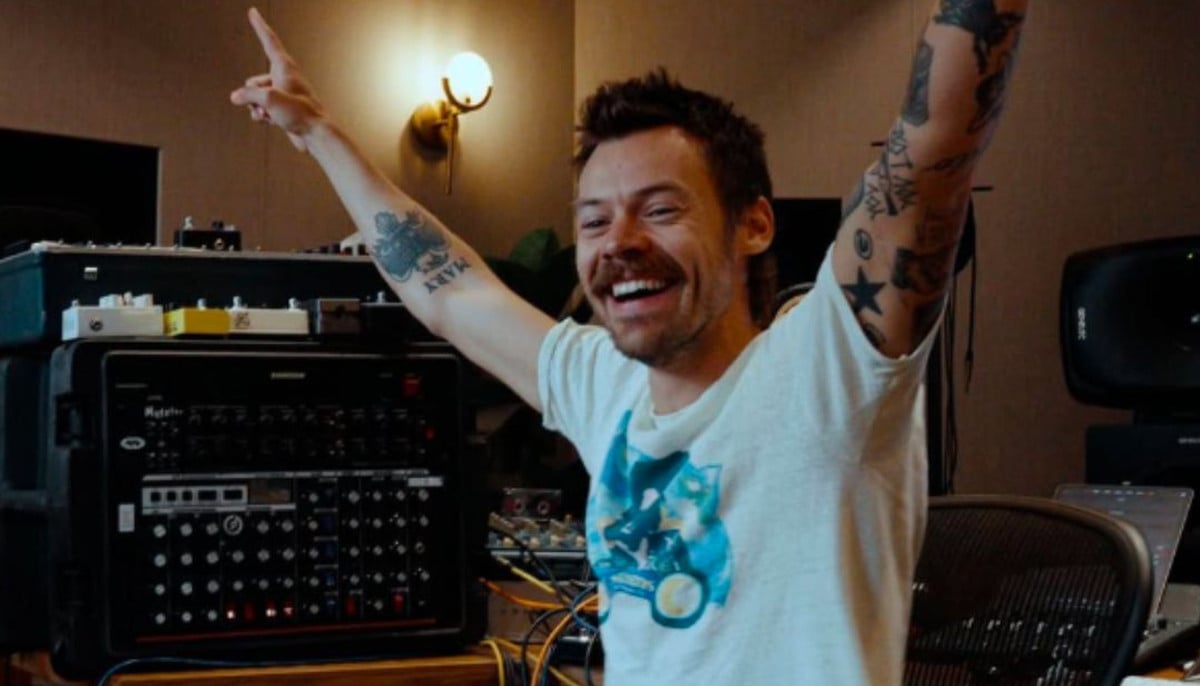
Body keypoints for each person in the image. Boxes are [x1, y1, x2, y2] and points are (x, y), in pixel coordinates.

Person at [231, 1, 1029, 683]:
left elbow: (933, 146)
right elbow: (449, 290)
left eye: (660, 209)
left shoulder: (827, 371)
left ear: (753, 223)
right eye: (593, 220)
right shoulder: (604, 383)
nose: (617, 242)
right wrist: (319, 132)